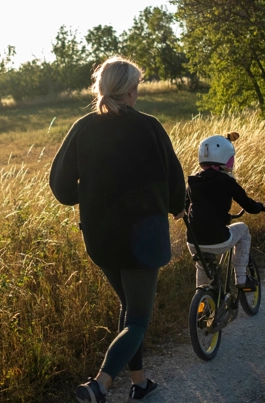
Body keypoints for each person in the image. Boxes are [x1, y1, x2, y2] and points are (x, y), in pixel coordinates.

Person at [49, 56, 185, 403]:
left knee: (128, 306)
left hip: (101, 238)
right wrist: (177, 207)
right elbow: (174, 182)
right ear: (131, 90)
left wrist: (90, 193)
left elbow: (61, 187)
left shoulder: (83, 127)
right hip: (144, 240)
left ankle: (140, 383)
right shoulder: (150, 126)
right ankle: (100, 384)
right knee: (138, 317)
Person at [185, 132, 265, 289]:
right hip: (218, 240)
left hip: (193, 242)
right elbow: (248, 206)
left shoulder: (193, 182)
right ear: (226, 158)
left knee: (202, 266)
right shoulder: (227, 182)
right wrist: (260, 207)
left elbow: (184, 204)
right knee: (243, 229)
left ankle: (203, 302)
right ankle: (241, 278)